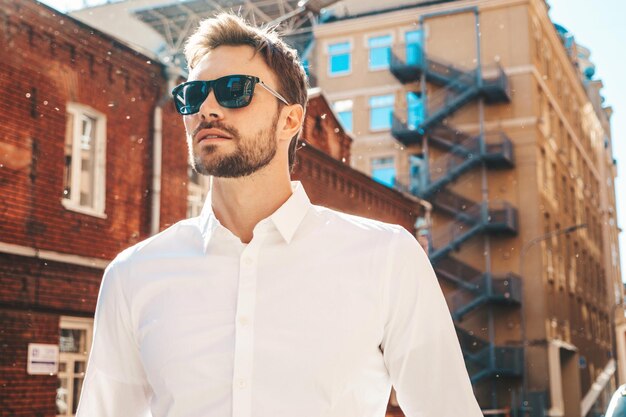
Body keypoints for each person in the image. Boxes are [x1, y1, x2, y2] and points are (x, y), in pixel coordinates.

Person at [76, 12, 482, 417]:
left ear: (290, 119)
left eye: (235, 90)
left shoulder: (387, 257)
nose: (208, 108)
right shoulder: (133, 274)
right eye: (193, 94)